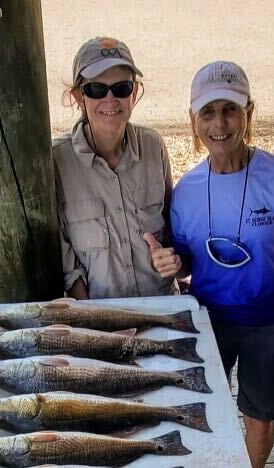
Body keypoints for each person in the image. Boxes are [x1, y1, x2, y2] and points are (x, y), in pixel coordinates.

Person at [148, 61, 274, 468]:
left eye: (230, 109)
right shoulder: (187, 191)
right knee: (201, 406)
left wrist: (264, 270)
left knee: (258, 418)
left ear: (249, 112)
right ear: (194, 121)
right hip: (211, 319)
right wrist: (172, 262)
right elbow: (188, 257)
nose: (220, 123)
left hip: (273, 321)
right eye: (208, 113)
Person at [53, 37, 176, 301]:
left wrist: (171, 258)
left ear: (134, 93)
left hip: (162, 308)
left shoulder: (153, 145)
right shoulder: (56, 161)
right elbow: (63, 257)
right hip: (101, 321)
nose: (110, 100)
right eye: (96, 89)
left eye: (121, 88)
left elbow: (172, 227)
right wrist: (94, 319)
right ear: (78, 97)